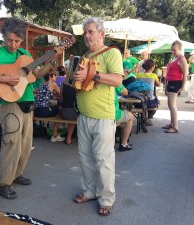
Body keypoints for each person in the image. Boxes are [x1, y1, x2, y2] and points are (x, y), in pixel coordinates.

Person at [0, 17, 63, 199]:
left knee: (26, 143)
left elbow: (37, 74)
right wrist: (4, 79)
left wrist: (50, 61)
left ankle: (16, 174)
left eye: (17, 41)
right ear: (4, 38)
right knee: (12, 143)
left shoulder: (25, 55)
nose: (13, 45)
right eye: (9, 40)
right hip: (11, 103)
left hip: (28, 103)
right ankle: (3, 183)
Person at [73, 17, 123, 216]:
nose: (87, 35)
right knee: (85, 158)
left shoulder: (112, 53)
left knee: (103, 160)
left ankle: (107, 198)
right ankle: (89, 191)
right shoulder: (85, 55)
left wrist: (93, 76)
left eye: (91, 31)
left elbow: (118, 80)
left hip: (103, 115)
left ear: (101, 33)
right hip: (83, 115)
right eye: (85, 32)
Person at [162, 40, 188, 133]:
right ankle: (172, 123)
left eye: (174, 50)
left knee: (172, 105)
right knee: (170, 104)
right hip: (170, 82)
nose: (173, 52)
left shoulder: (182, 58)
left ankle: (175, 127)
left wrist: (183, 86)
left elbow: (185, 74)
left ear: (180, 49)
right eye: (172, 50)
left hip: (175, 82)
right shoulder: (175, 58)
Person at [34, 70, 65, 142]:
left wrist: (51, 96)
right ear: (50, 77)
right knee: (59, 109)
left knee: (53, 108)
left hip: (37, 111)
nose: (56, 76)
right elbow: (61, 94)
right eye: (54, 75)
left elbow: (36, 91)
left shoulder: (42, 84)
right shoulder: (53, 84)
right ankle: (55, 135)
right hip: (44, 111)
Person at [136, 59, 161, 124]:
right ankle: (149, 117)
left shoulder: (138, 75)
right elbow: (158, 84)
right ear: (152, 67)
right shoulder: (154, 75)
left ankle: (143, 116)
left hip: (139, 101)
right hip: (150, 102)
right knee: (156, 100)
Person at [115, 85, 134, 151]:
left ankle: (116, 135)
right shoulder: (115, 79)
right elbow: (125, 92)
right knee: (130, 116)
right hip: (111, 114)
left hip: (90, 114)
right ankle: (124, 143)